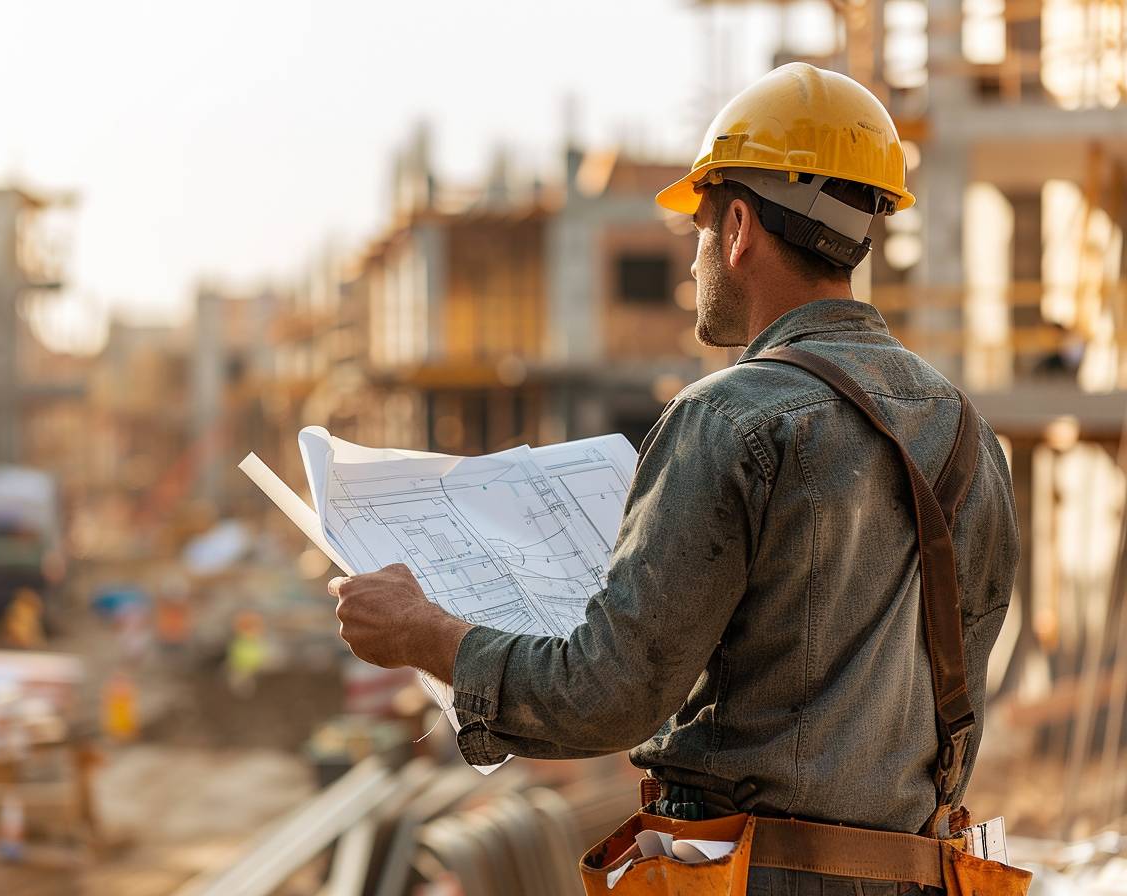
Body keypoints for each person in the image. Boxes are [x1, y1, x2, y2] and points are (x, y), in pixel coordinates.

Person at [329, 63, 1018, 895]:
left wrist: (424, 635)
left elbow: (607, 696)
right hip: (921, 878)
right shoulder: (969, 436)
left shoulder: (728, 420)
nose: (692, 258)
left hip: (751, 879)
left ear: (736, 227)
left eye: (694, 229)